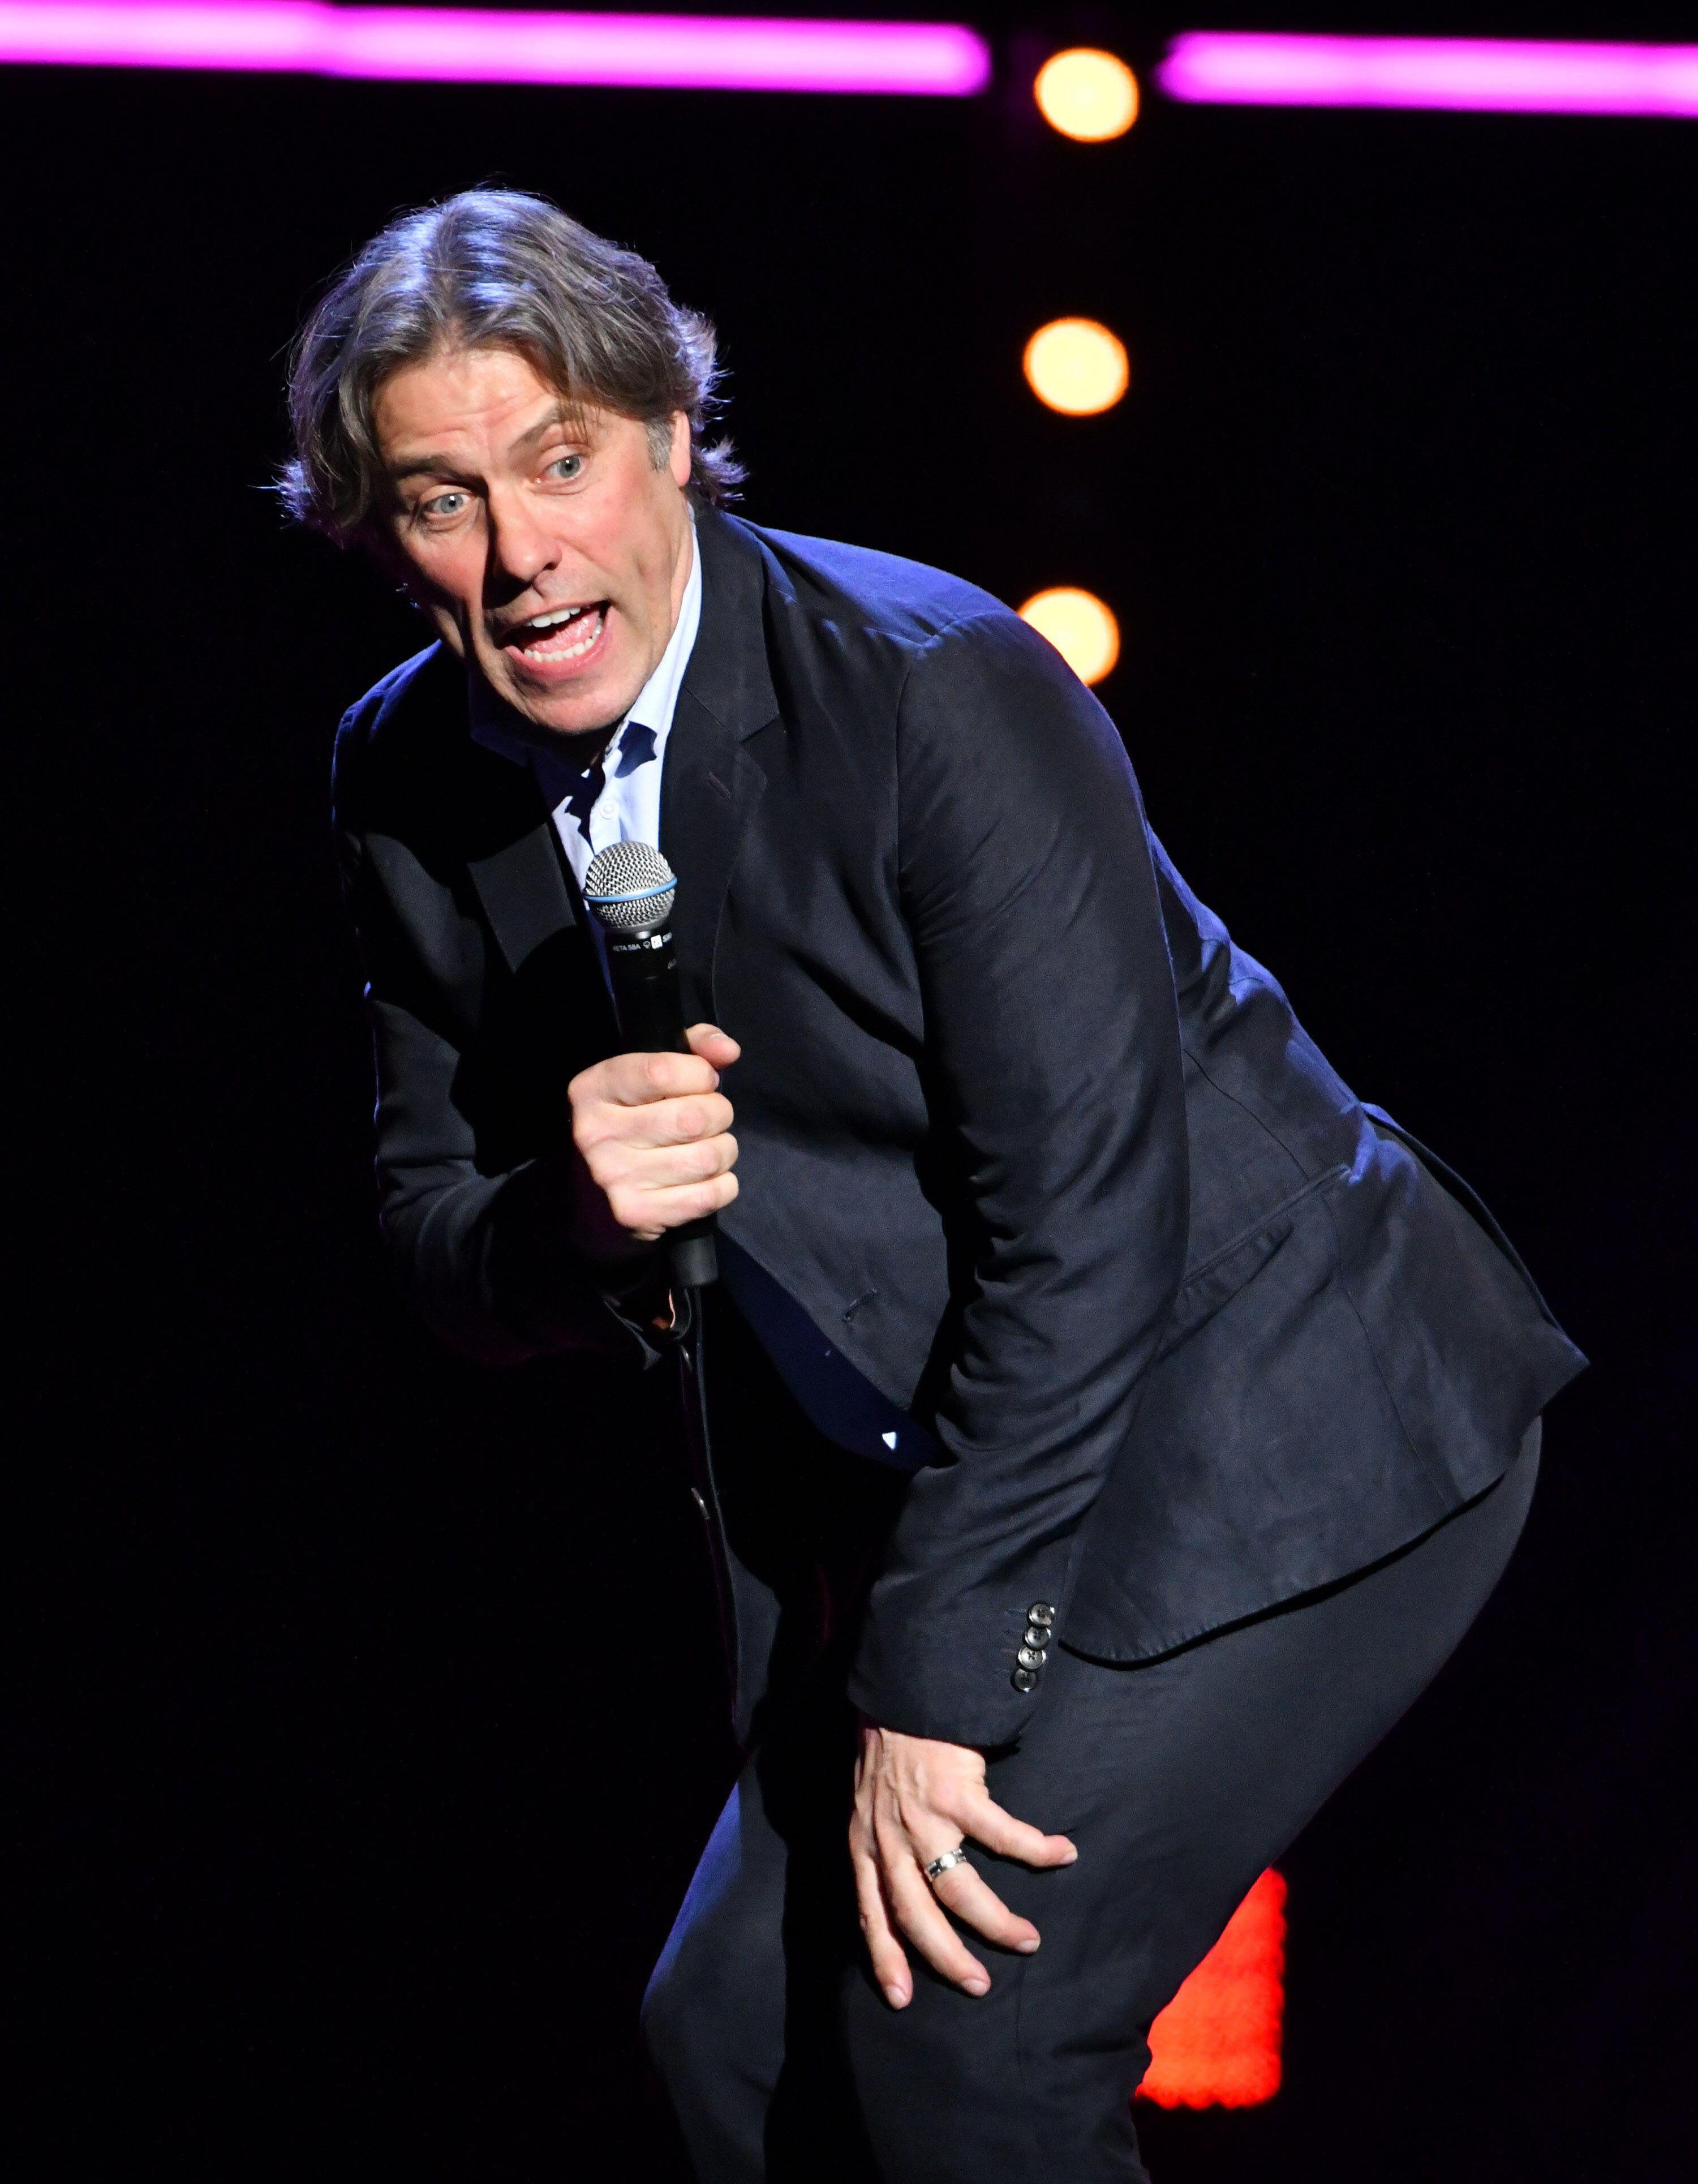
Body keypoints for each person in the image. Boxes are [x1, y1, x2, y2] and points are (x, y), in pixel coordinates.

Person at [286, 189, 1585, 2182]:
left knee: (970, 2046)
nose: (523, 552)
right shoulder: (408, 776)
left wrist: (934, 1687)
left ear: (664, 441)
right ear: (376, 535)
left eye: (559, 464)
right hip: (957, 1458)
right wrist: (572, 1210)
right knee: (725, 2035)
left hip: (1280, 1407)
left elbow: (1087, 1222)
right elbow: (437, 1247)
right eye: (443, 499)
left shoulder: (931, 687)